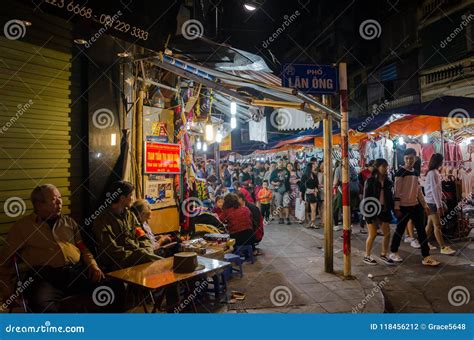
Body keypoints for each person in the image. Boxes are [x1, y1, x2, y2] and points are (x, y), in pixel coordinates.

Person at [0, 184, 123, 313]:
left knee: (114, 288)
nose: (60, 202)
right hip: (44, 278)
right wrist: (7, 292)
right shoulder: (22, 227)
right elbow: (4, 263)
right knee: (42, 306)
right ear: (38, 204)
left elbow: (82, 247)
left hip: (74, 272)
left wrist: (93, 266)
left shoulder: (68, 222)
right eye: (54, 199)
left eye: (60, 197)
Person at [92, 181, 162, 272]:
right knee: (159, 266)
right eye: (130, 196)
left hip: (137, 255)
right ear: (122, 198)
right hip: (116, 262)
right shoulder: (103, 219)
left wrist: (147, 249)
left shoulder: (130, 215)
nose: (132, 199)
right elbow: (111, 250)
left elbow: (142, 235)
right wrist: (138, 254)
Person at [389, 148, 440, 266]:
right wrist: (397, 208)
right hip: (403, 207)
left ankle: (426, 256)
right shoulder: (399, 173)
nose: (409, 161)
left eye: (411, 158)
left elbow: (418, 191)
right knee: (399, 231)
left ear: (415, 159)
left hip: (415, 206)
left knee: (421, 231)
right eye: (407, 158)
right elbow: (397, 192)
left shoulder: (415, 172)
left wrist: (424, 205)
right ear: (404, 158)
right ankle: (393, 252)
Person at [362, 159, 395, 265]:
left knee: (387, 234)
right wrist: (368, 214)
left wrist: (393, 209)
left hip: (384, 210)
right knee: (373, 234)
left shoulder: (388, 181)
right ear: (377, 167)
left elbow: (390, 197)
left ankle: (384, 254)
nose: (385, 168)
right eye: (383, 166)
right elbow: (366, 198)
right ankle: (367, 256)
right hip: (371, 210)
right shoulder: (370, 181)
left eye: (386, 166)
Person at [424, 153, 456, 255]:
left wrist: (441, 195)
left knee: (430, 225)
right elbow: (434, 190)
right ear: (438, 162)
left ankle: (424, 243)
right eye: (441, 160)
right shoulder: (433, 173)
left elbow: (436, 189)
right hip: (432, 202)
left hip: (430, 201)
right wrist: (439, 205)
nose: (442, 162)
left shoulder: (433, 172)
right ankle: (442, 247)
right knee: (437, 226)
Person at [270, 159, 291, 224]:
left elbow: (288, 179)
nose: (281, 163)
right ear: (277, 163)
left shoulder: (286, 170)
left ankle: (287, 218)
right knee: (278, 205)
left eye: (282, 162)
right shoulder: (274, 172)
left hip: (286, 190)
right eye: (279, 162)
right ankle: (281, 218)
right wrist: (276, 184)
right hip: (277, 191)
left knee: (286, 204)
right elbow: (271, 181)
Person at [302, 162, 319, 229]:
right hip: (306, 194)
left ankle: (313, 223)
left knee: (313, 209)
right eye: (313, 166)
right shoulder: (304, 176)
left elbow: (316, 184)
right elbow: (302, 186)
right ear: (309, 167)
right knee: (306, 209)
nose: (315, 167)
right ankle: (307, 223)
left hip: (313, 193)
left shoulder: (314, 175)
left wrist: (315, 189)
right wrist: (302, 194)